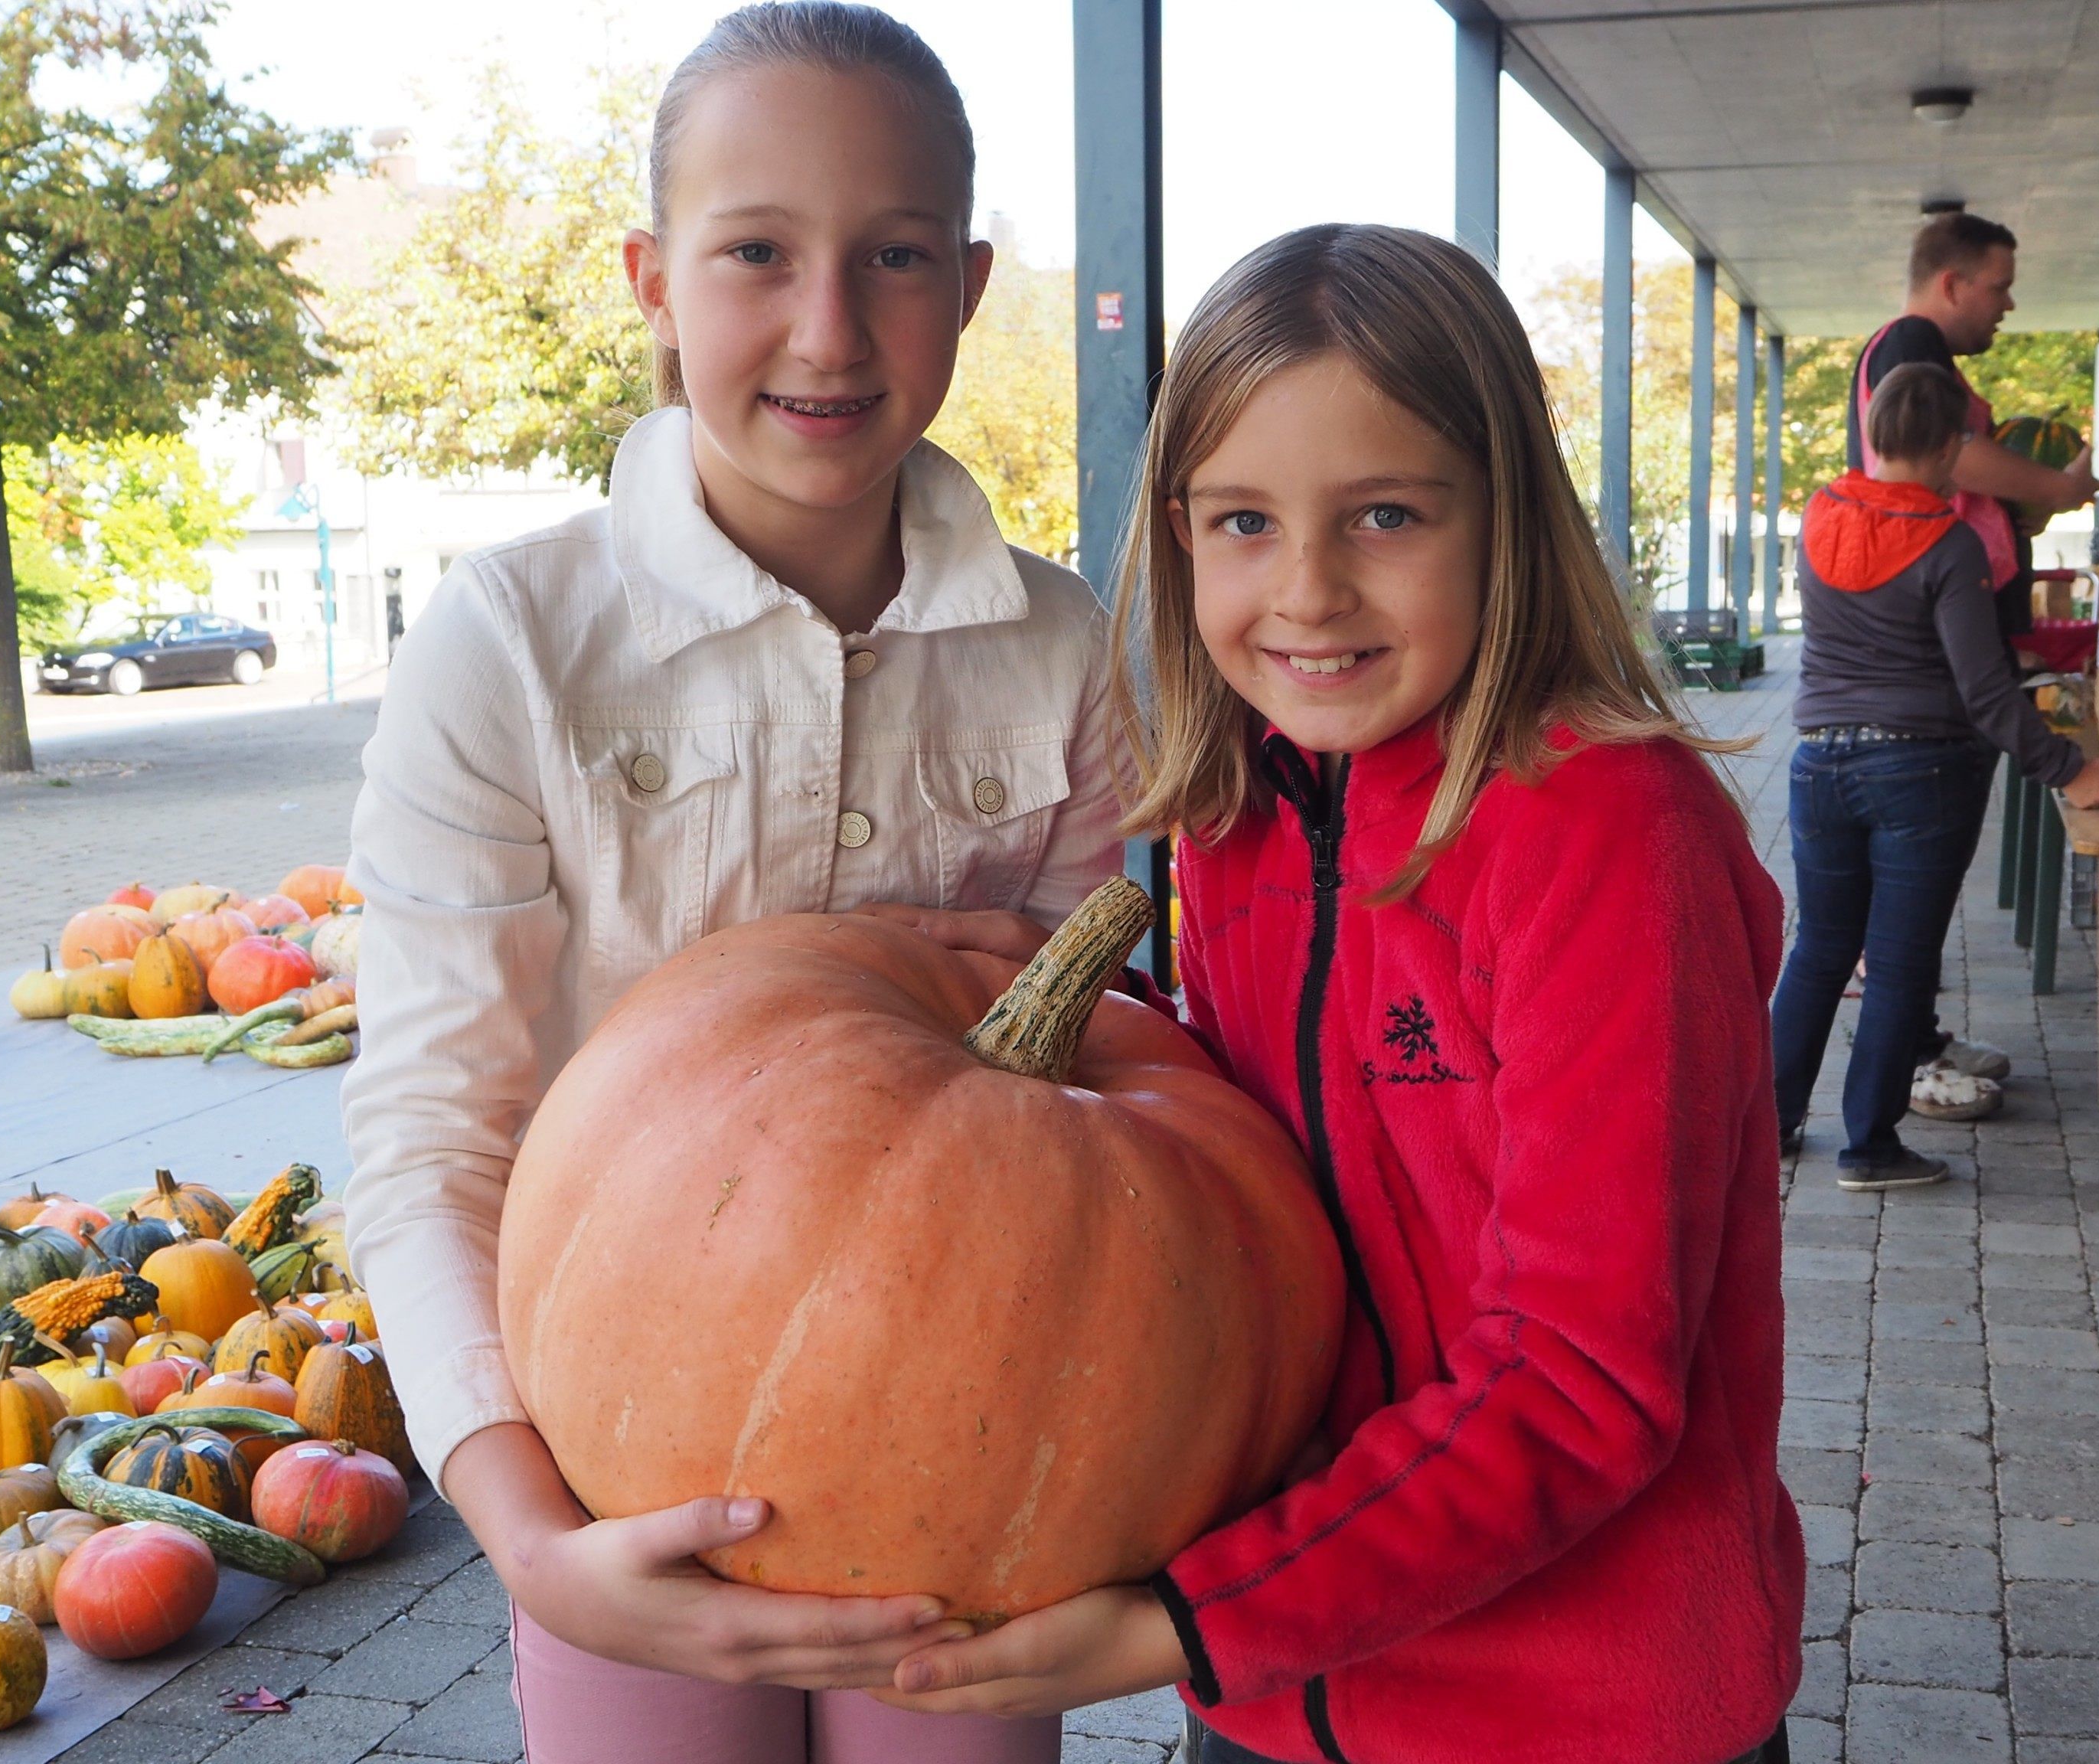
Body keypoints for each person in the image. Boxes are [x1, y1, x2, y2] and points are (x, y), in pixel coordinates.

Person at [860, 224, 1804, 1764]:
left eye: (1385, 514)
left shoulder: (1611, 836)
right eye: (1243, 521)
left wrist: (1183, 1623)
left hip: (1568, 1715)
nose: (1307, 590)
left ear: (1504, 516)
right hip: (1279, 1693)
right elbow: (1250, 1163)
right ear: (1180, 536)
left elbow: (1579, 1379)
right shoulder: (1236, 816)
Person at [339, 7, 1122, 1762]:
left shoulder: (1062, 646)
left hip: (972, 1448)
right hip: (617, 1468)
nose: (826, 328)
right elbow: (433, 1129)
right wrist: (531, 1541)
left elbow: (1100, 1060)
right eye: (756, 251)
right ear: (652, 281)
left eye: (894, 256)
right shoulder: (509, 642)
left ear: (968, 288)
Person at [1774, 364, 2099, 1188]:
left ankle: (1769, 1123)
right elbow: (1986, 693)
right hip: (1919, 772)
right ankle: (1869, 1148)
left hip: (1818, 764)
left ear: (1875, 433)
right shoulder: (1947, 541)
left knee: (1820, 949)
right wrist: (2069, 769)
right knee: (1899, 964)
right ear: (1949, 446)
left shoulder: (1819, 515)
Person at [1848, 211, 2099, 1119]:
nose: (2007, 306)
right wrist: (2060, 487)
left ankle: (1910, 1042)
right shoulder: (1912, 345)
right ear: (1951, 283)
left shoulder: (1914, 352)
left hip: (1933, 662)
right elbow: (1964, 462)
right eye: (1999, 287)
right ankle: (1903, 1064)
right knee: (1911, 882)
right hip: (1932, 669)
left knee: (1915, 881)